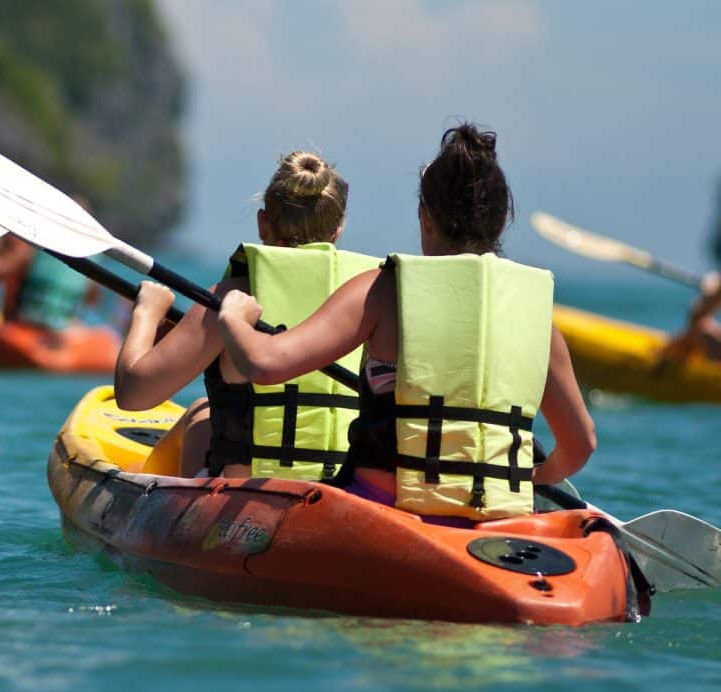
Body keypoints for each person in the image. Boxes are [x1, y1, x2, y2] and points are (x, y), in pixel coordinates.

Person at [218, 124, 596, 522]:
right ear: (501, 223)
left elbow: (265, 363)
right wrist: (536, 476)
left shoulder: (385, 292)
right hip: (497, 520)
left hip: (383, 510)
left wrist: (235, 317)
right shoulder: (537, 319)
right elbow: (581, 444)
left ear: (425, 218)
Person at [115, 150, 380, 479]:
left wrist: (147, 313)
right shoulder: (372, 299)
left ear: (262, 224)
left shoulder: (233, 296)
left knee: (200, 415)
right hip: (344, 491)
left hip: (244, 496)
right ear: (336, 232)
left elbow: (133, 396)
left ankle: (146, 485)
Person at [0, 231, 101, 331]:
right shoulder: (87, 253)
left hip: (22, 322)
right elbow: (93, 297)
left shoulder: (28, 242)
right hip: (67, 326)